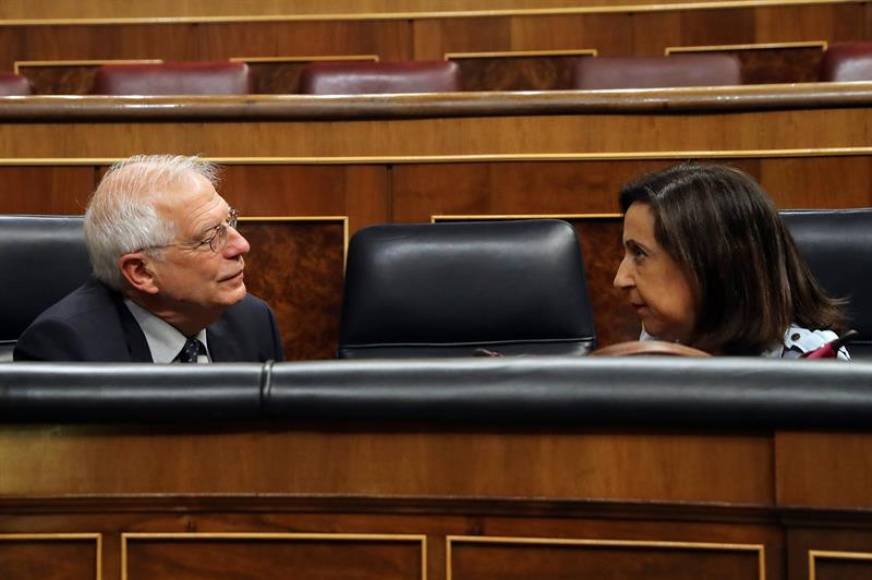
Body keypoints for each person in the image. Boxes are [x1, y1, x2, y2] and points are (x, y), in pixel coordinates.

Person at [14, 155, 284, 362]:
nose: (242, 245)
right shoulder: (67, 348)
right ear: (141, 271)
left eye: (229, 222)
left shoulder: (253, 321)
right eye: (208, 237)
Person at [613, 163, 849, 358]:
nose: (620, 279)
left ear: (712, 262)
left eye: (640, 253)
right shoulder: (660, 341)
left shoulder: (813, 364)